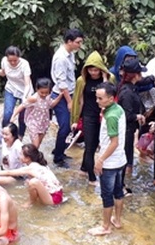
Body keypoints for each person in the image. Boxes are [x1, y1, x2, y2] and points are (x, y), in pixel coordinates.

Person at [89, 83, 126, 236]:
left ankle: (105, 227)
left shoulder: (110, 116)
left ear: (110, 99)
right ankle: (117, 220)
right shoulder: (118, 109)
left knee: (106, 195)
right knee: (118, 192)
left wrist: (100, 159)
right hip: (120, 160)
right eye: (96, 97)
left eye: (100, 98)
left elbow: (114, 142)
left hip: (110, 163)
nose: (97, 101)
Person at [71, 51, 109, 183]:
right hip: (88, 116)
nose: (93, 73)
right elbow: (78, 101)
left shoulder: (109, 78)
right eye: (91, 70)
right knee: (90, 146)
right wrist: (75, 120)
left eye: (96, 70)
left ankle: (83, 168)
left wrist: (104, 79)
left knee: (100, 144)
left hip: (103, 116)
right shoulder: (82, 81)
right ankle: (92, 179)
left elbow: (110, 95)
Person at [50, 28, 84, 165]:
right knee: (64, 126)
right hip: (61, 95)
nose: (79, 45)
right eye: (78, 42)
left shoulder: (70, 54)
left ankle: (59, 151)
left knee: (69, 125)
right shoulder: (61, 58)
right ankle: (58, 158)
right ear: (69, 41)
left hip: (69, 93)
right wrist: (70, 102)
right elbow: (61, 82)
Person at [0, 144, 65, 206]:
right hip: (58, 195)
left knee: (33, 182)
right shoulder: (41, 164)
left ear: (28, 158)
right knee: (28, 181)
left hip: (54, 199)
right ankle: (36, 200)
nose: (19, 156)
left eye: (21, 154)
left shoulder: (31, 168)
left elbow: (9, 172)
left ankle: (30, 203)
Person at [117, 58, 146, 187]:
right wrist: (138, 116)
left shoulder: (130, 87)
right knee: (123, 157)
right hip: (126, 130)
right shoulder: (127, 92)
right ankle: (119, 186)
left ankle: (121, 184)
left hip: (128, 129)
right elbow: (127, 115)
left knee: (126, 156)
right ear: (135, 75)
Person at [12, 77, 60, 148]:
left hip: (44, 123)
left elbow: (51, 104)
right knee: (36, 146)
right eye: (42, 92)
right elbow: (22, 105)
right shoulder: (34, 98)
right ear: (37, 89)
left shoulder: (48, 97)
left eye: (46, 92)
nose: (44, 94)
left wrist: (60, 96)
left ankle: (26, 154)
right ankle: (26, 155)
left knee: (37, 146)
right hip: (33, 123)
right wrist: (13, 116)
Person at [0, 46, 33, 129]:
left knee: (22, 116)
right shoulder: (4, 61)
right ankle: (4, 133)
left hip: (24, 90)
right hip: (11, 88)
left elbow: (27, 84)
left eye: (15, 60)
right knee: (7, 114)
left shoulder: (24, 64)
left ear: (19, 57)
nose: (12, 63)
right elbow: (3, 73)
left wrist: (25, 97)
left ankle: (20, 136)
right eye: (10, 61)